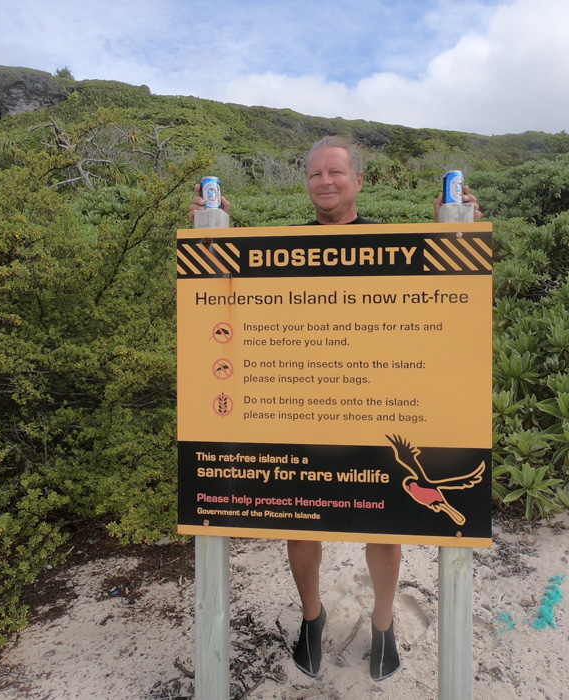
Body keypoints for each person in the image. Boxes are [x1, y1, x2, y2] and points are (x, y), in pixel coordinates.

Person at [189, 136, 481, 681]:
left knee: (386, 524)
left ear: (358, 181)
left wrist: (458, 230)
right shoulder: (288, 246)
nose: (325, 181)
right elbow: (229, 297)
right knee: (299, 524)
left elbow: (447, 298)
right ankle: (312, 617)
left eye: (336, 172)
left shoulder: (388, 243)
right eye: (315, 174)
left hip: (378, 407)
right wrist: (210, 237)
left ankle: (383, 623)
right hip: (307, 410)